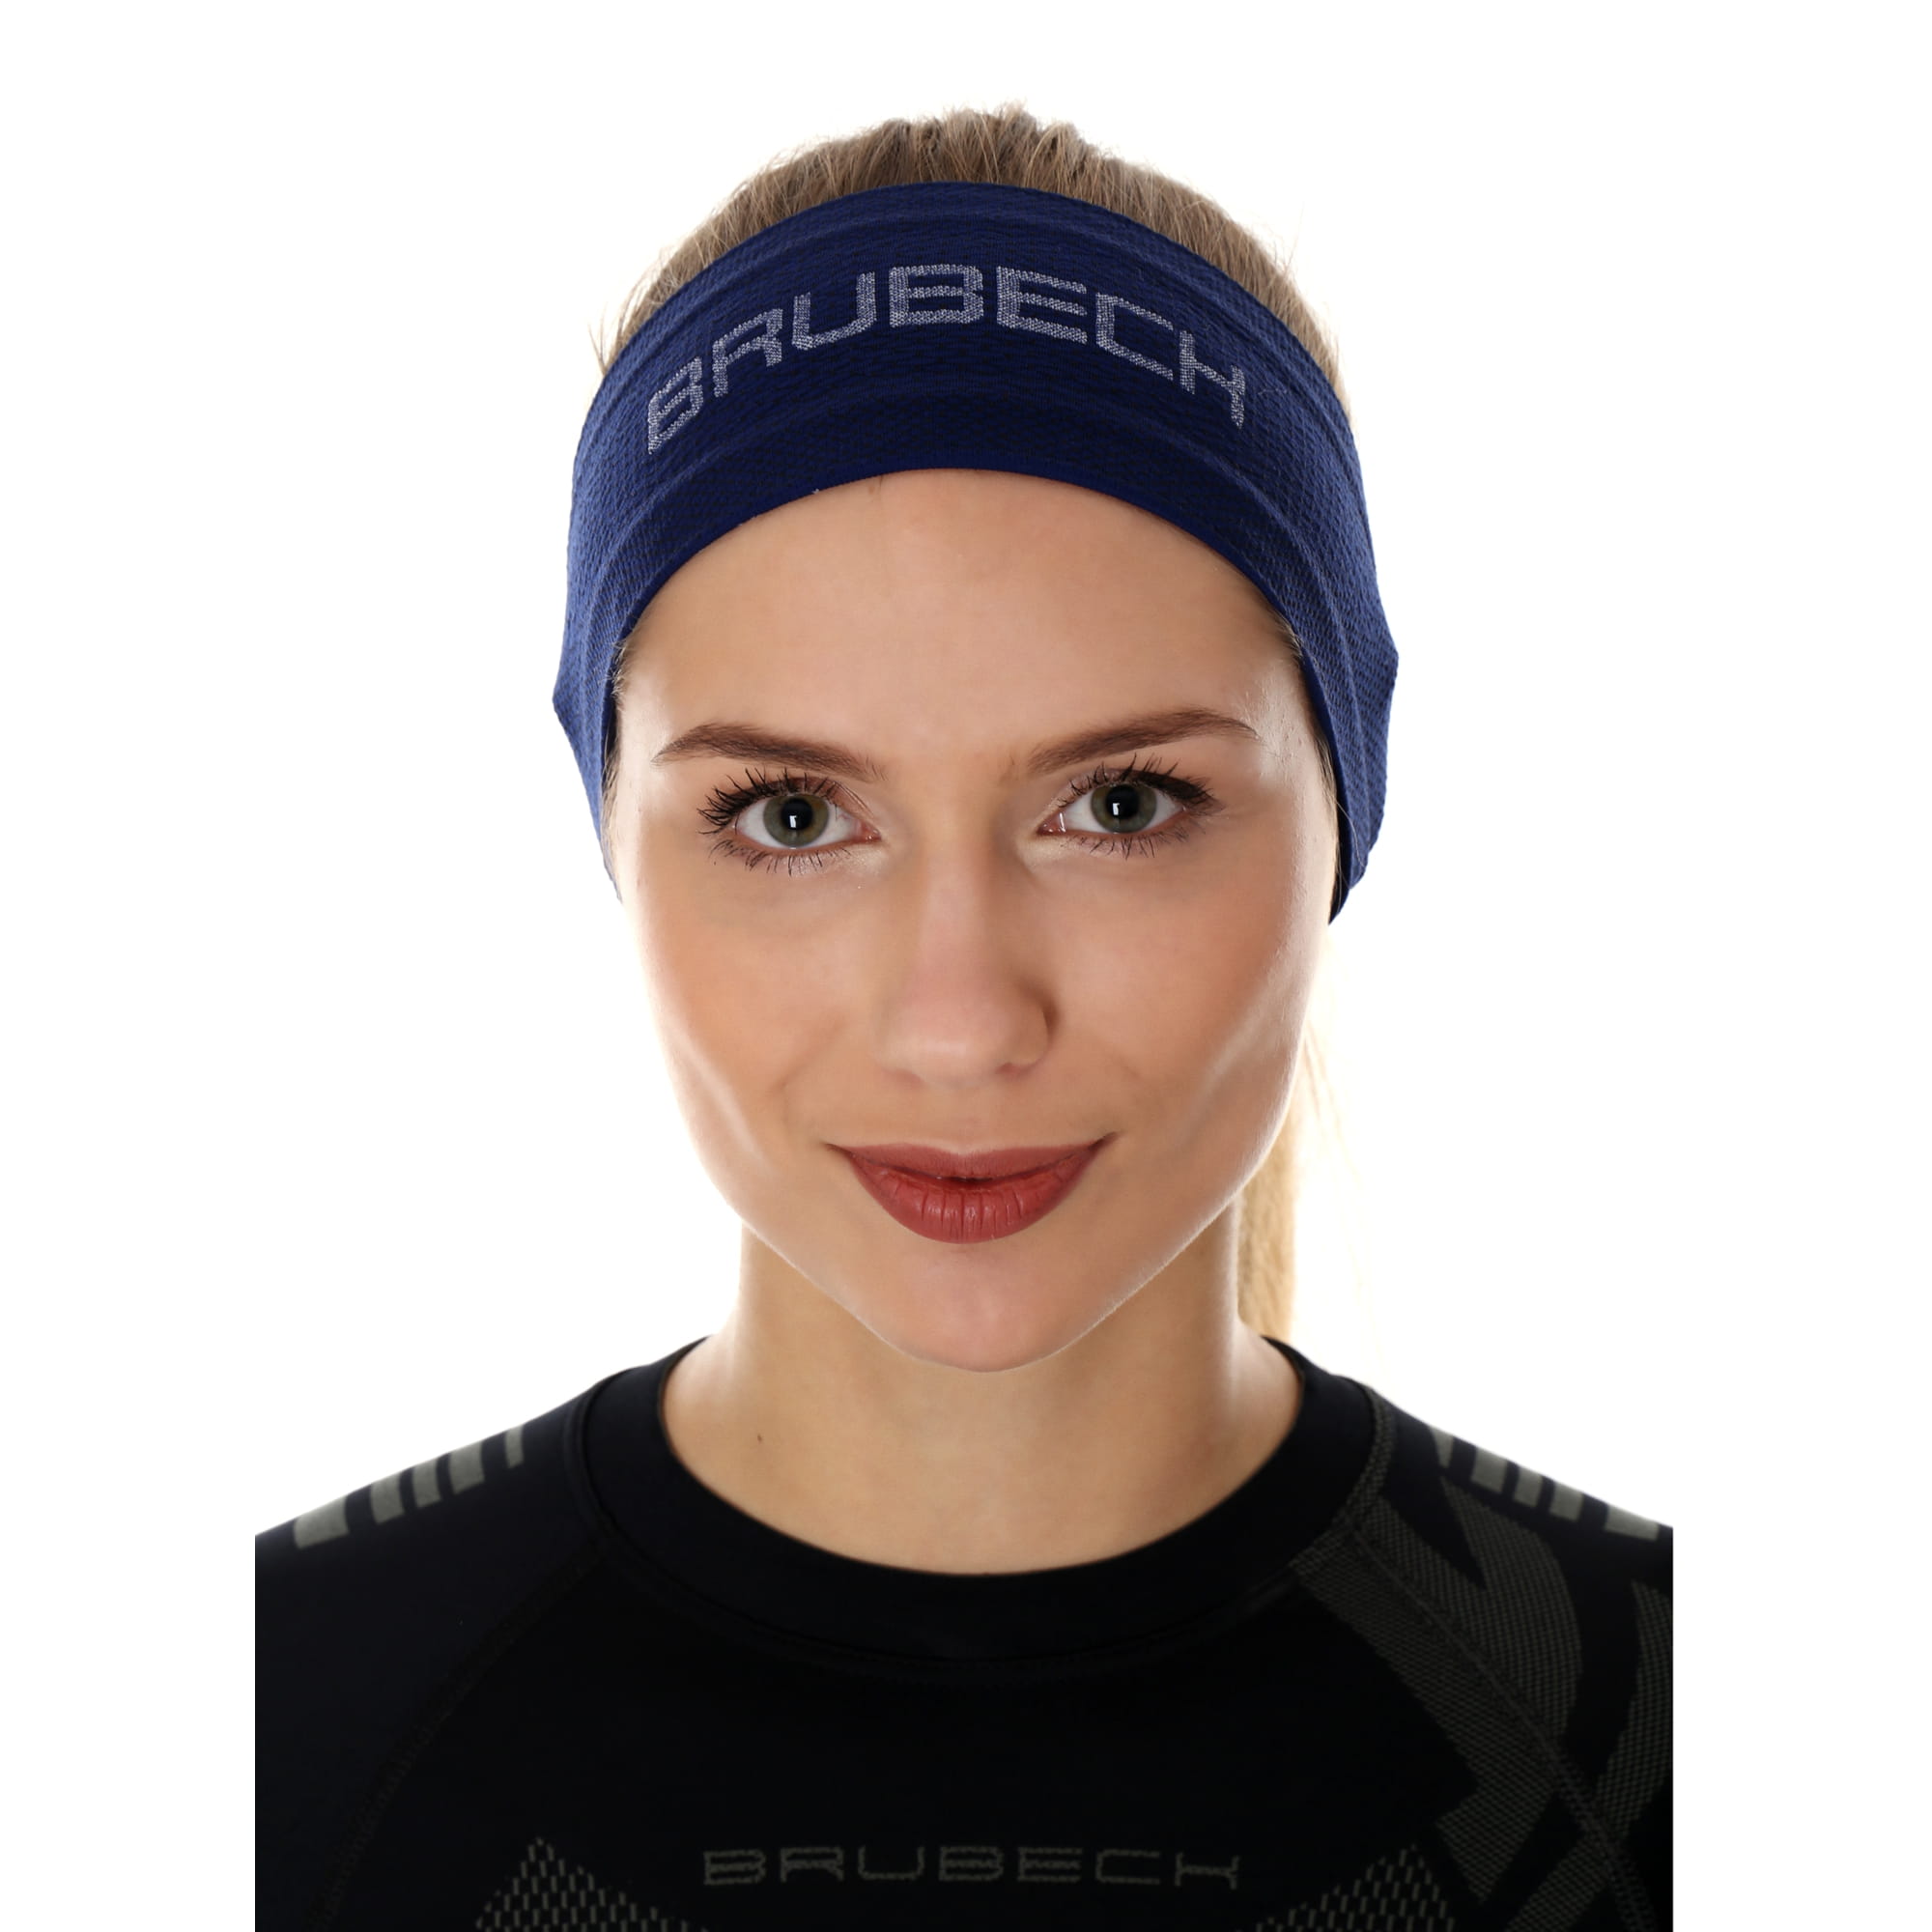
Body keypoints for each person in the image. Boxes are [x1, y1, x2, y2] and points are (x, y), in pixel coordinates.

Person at [256, 105, 1671, 1931]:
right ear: (609, 832)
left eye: (1124, 805)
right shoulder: (241, 1737)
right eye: (791, 816)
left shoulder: (1699, 1750)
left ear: (1347, 814)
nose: (959, 1024)